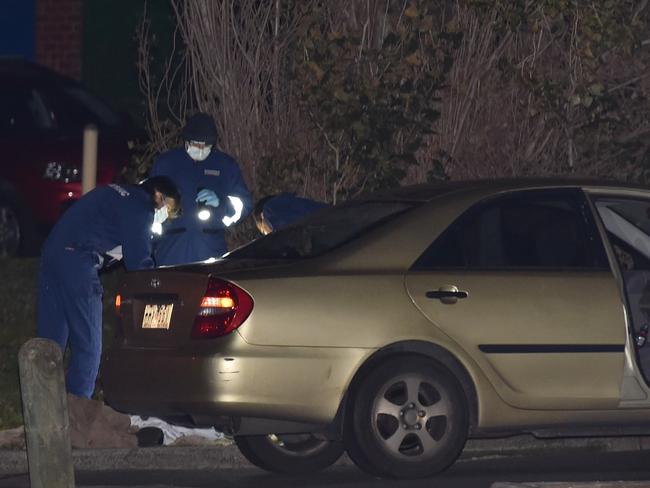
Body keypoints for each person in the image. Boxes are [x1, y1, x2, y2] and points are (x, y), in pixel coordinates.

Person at [37, 176, 181, 398]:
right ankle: (78, 409)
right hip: (77, 260)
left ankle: (42, 406)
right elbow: (139, 264)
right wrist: (160, 289)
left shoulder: (117, 194)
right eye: (168, 210)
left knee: (50, 344)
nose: (165, 218)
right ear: (159, 196)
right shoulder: (140, 206)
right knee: (88, 345)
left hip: (52, 254)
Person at [149, 112, 252, 265]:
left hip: (210, 248)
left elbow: (244, 204)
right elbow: (146, 201)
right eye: (197, 144)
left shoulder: (224, 165)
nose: (201, 149)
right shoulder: (166, 163)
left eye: (206, 146)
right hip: (171, 248)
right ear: (187, 141)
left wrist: (221, 204)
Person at [253, 193, 328, 235]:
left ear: (262, 215)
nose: (267, 234)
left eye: (264, 231)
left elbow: (288, 233)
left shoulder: (268, 208)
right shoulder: (287, 202)